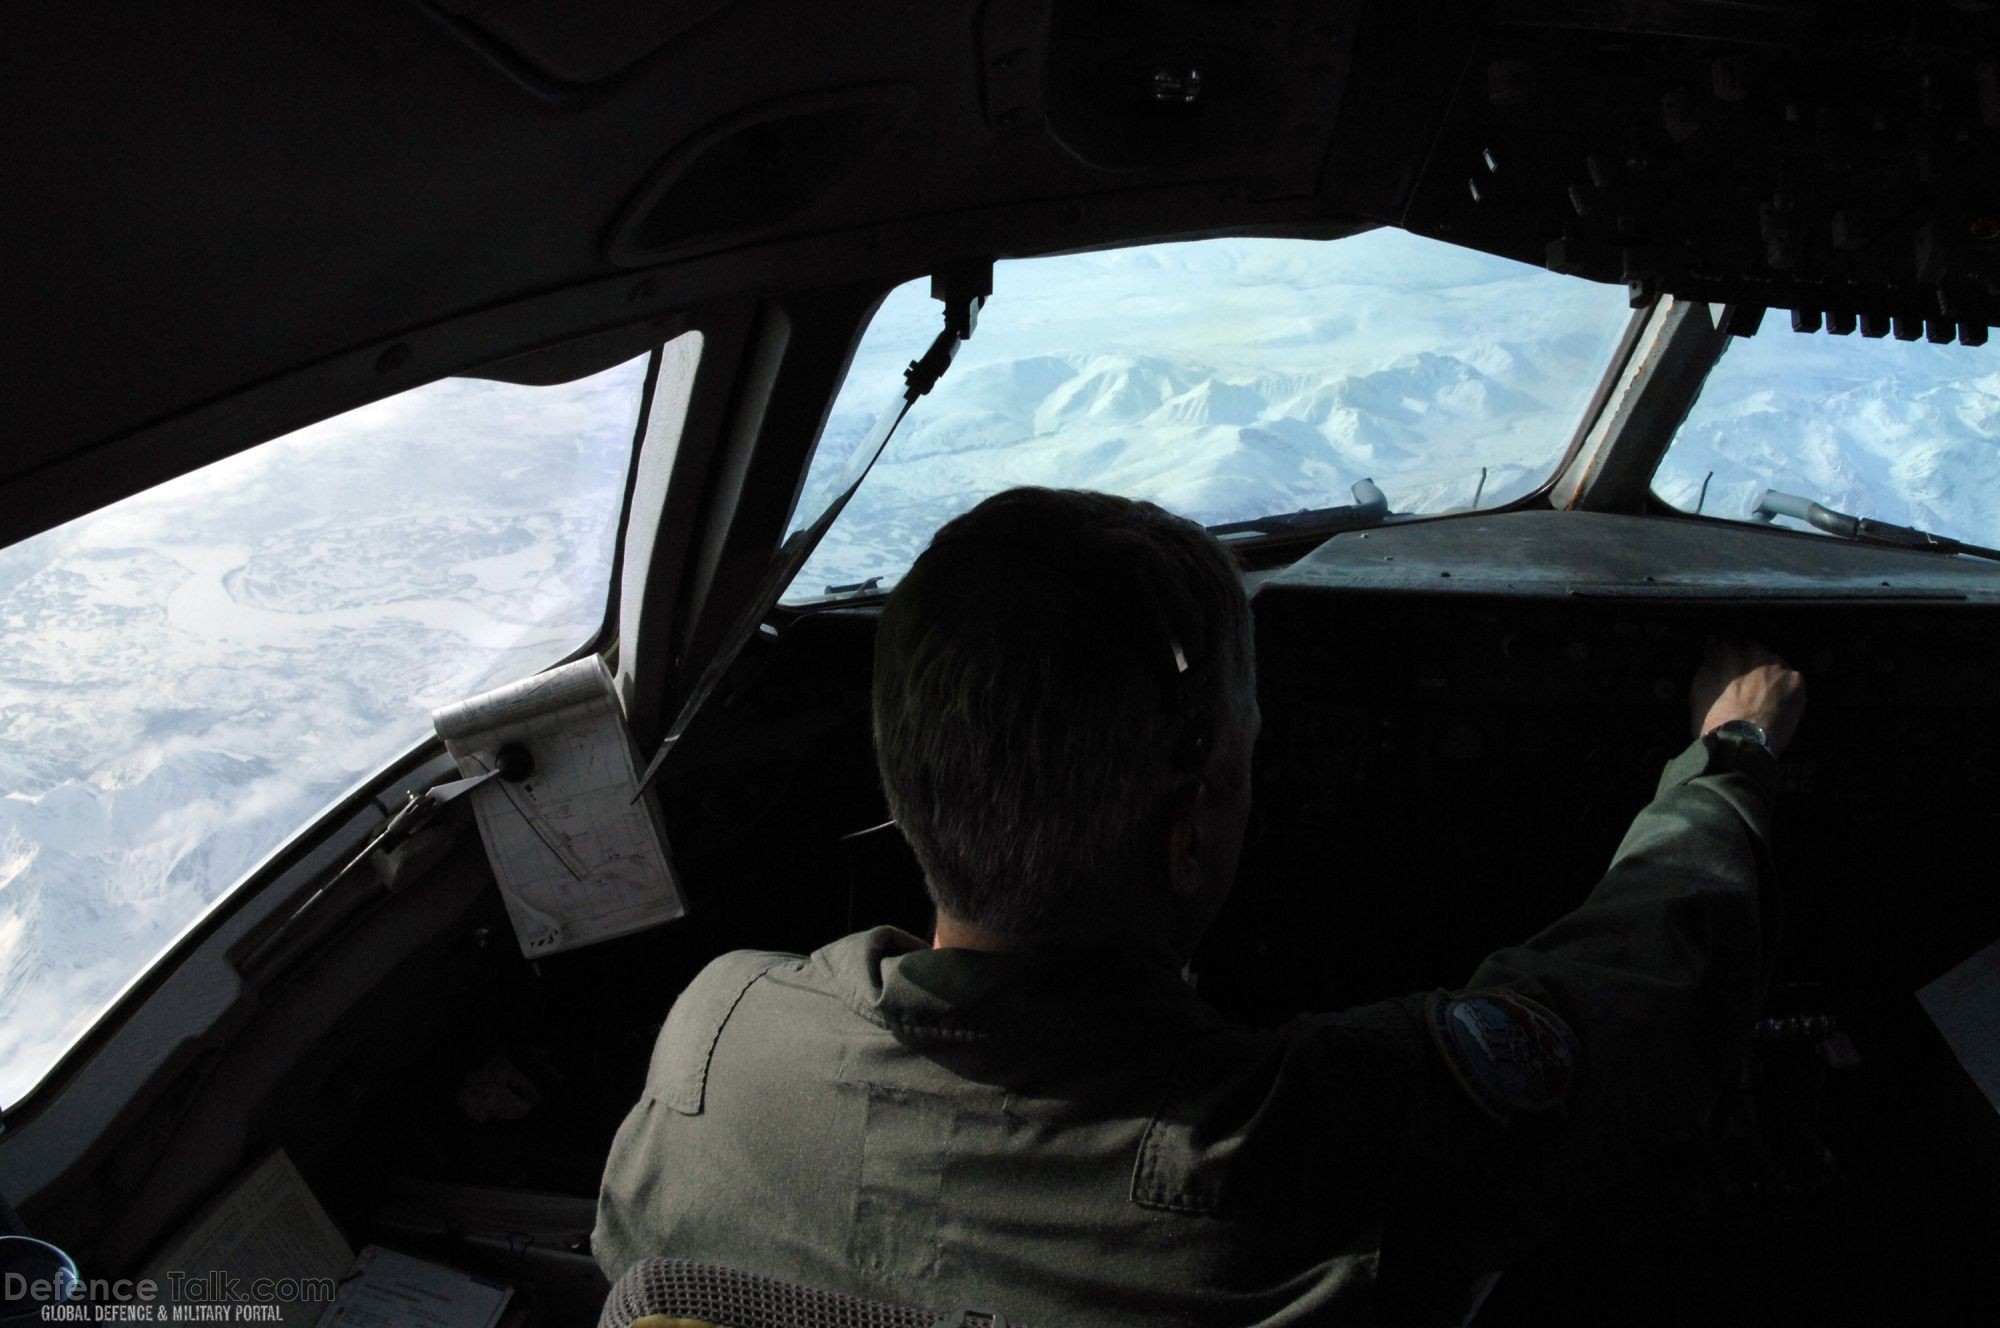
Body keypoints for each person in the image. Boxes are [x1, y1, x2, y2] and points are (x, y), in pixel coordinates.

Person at [593, 487, 1807, 1326]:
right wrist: (1730, 752)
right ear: (1189, 830)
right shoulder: (1302, 1154)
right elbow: (1638, 1001)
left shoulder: (719, 1036)